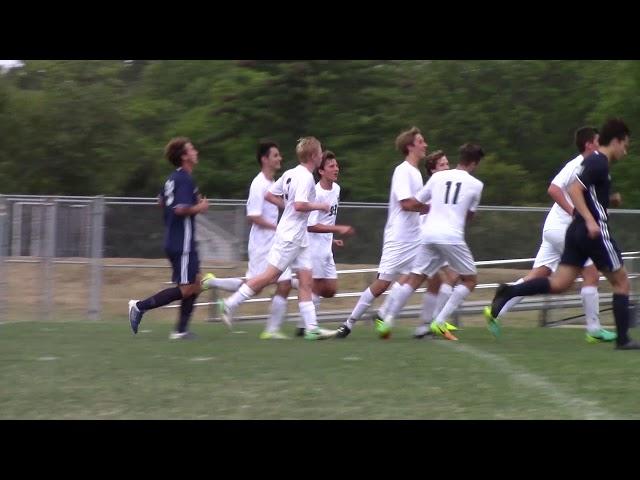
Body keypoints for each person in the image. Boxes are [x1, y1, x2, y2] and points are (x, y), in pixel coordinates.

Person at [488, 118, 640, 350]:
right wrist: (590, 220)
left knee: (559, 283)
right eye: (625, 145)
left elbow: (587, 195)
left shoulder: (597, 163)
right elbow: (573, 189)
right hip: (592, 233)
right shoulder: (599, 162)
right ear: (616, 141)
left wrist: (608, 201)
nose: (625, 151)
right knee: (621, 281)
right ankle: (623, 340)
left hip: (576, 232)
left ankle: (510, 291)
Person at [219, 137, 336, 340]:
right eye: (319, 153)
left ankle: (311, 328)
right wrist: (319, 206)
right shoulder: (306, 177)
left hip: (300, 238)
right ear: (312, 156)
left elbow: (271, 195)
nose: (321, 156)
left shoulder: (290, 173)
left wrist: (287, 206)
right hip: (290, 237)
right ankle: (230, 304)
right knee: (269, 277)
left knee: (306, 282)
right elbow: (299, 205)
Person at [376, 143, 485, 341]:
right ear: (475, 163)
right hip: (451, 236)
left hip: (428, 234)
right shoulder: (476, 185)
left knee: (415, 278)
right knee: (469, 280)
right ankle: (439, 321)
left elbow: (418, 201)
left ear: (460, 158)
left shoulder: (437, 177)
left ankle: (388, 319)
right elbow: (469, 216)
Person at [334, 127, 428, 339]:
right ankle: (348, 324)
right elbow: (406, 204)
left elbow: (418, 205)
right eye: (421, 141)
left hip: (415, 238)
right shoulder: (402, 170)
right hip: (398, 237)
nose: (425, 145)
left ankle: (385, 314)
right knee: (382, 284)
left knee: (420, 275)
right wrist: (431, 208)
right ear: (410, 146)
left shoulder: (416, 173)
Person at [201, 141, 293, 340]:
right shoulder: (258, 183)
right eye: (275, 155)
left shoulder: (273, 185)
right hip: (262, 244)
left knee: (268, 283)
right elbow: (253, 216)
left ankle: (214, 283)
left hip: (274, 243)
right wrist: (277, 227)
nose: (280, 159)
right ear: (264, 159)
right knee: (264, 284)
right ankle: (234, 306)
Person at [128, 137, 209, 339]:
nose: (196, 151)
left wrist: (191, 202)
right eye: (192, 149)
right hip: (181, 242)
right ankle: (139, 306)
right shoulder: (184, 179)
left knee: (196, 283)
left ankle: (181, 330)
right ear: (184, 156)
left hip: (180, 240)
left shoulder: (174, 178)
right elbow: (180, 209)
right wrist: (199, 207)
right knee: (187, 287)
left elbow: (160, 201)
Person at [293, 150, 355, 336]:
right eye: (331, 166)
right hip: (314, 247)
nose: (336, 169)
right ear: (321, 171)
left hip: (326, 246)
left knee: (330, 289)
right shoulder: (316, 192)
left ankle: (295, 284)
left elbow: (326, 221)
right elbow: (311, 226)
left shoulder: (336, 189)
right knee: (316, 288)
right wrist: (338, 229)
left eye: (336, 165)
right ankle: (307, 327)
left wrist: (332, 237)